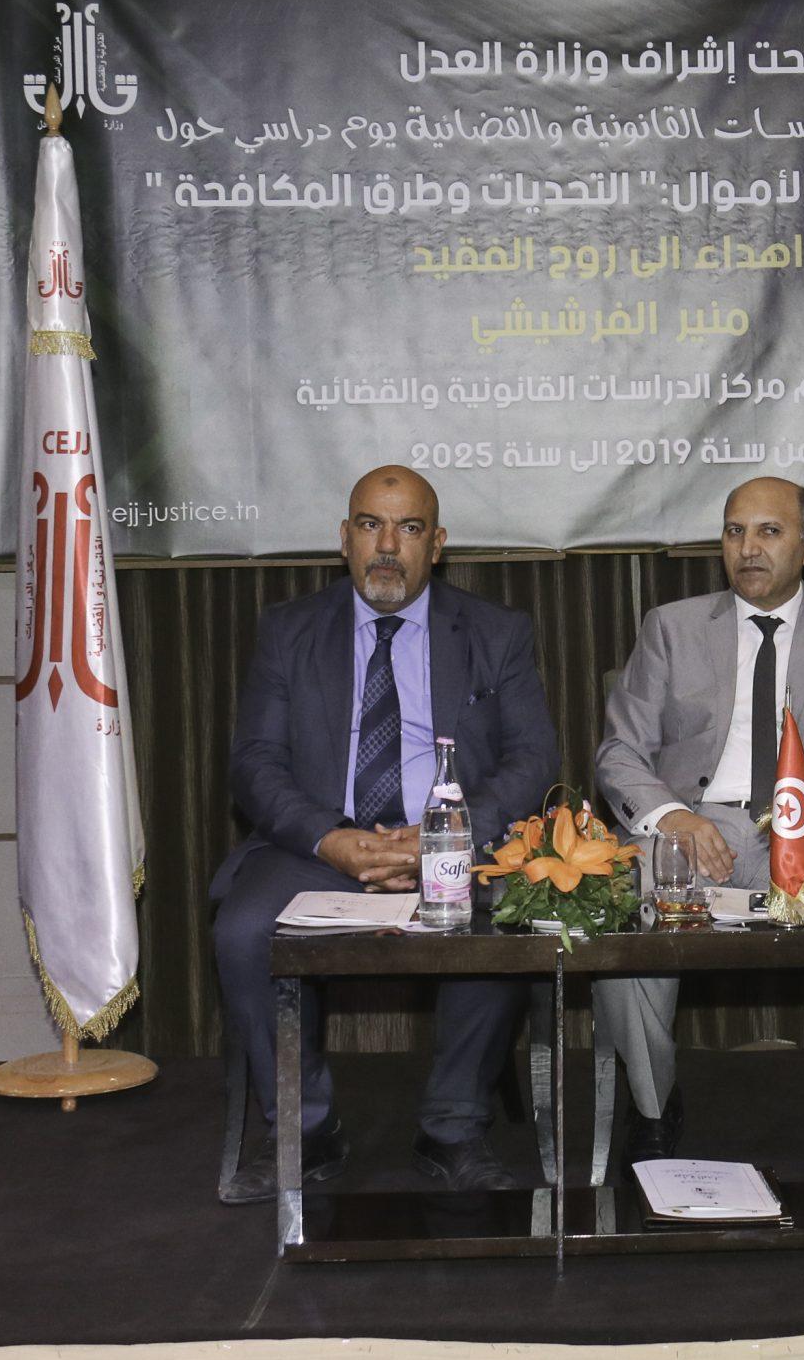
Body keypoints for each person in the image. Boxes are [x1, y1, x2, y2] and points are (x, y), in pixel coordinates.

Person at [210, 465, 558, 1204]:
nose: (388, 546)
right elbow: (255, 762)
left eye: (408, 528)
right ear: (345, 538)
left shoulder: (496, 632)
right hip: (319, 846)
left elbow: (533, 759)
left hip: (453, 844)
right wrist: (330, 838)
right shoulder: (289, 630)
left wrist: (446, 836)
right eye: (371, 525)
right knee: (242, 931)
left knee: (503, 918)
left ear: (438, 543)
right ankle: (303, 1128)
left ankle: (454, 1127)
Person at [593, 476, 804, 1213]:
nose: (749, 547)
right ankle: (651, 1106)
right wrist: (672, 819)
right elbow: (619, 753)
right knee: (624, 904)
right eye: (735, 531)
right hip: (693, 828)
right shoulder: (671, 627)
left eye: (769, 532)